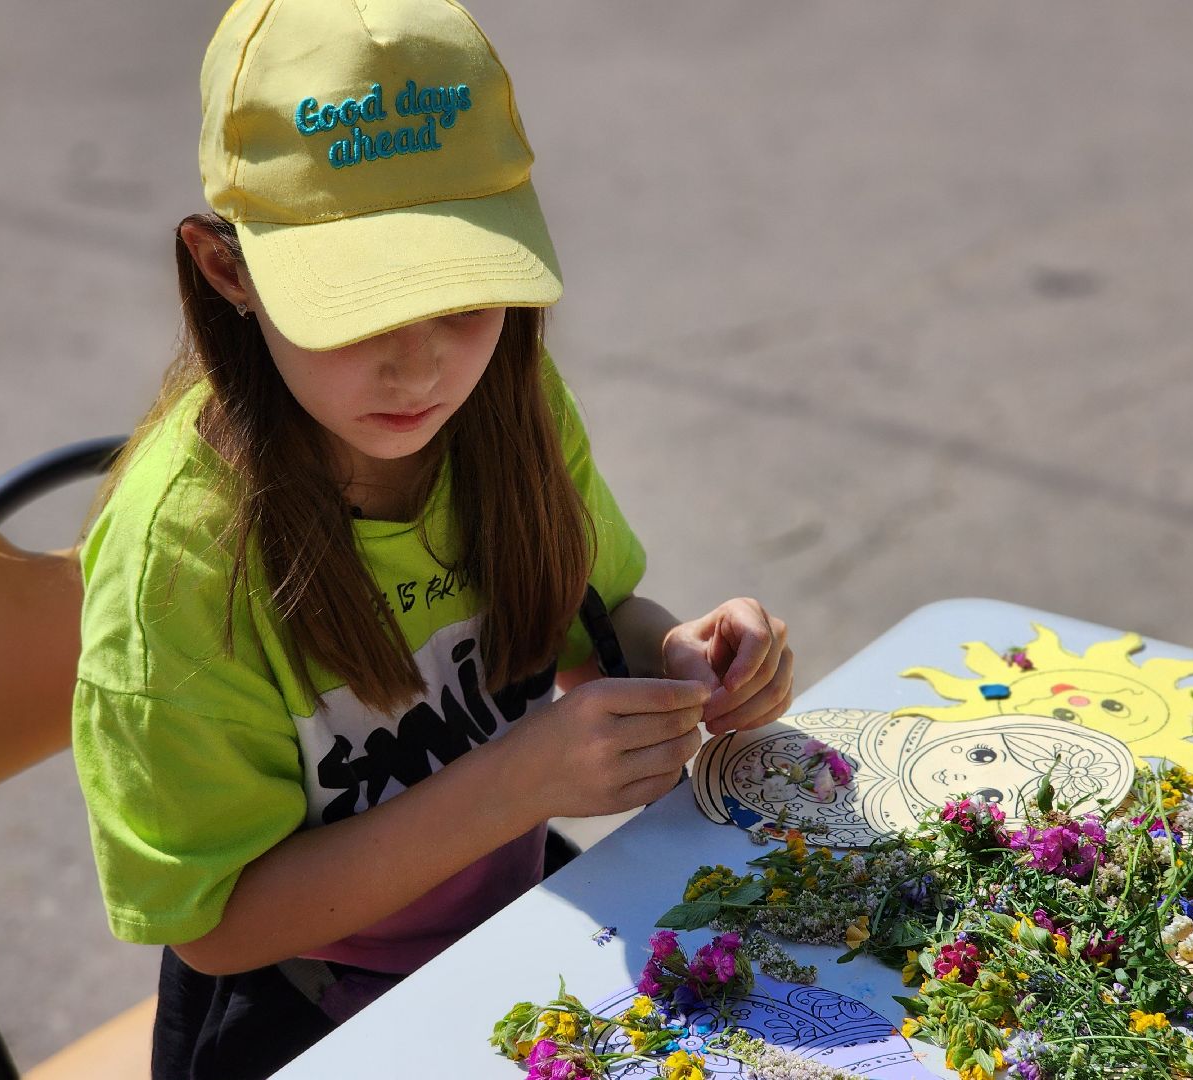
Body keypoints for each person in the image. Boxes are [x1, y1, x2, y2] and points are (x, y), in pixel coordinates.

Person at [69, 2, 794, 1077]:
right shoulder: (180, 563)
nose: (419, 369)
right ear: (228, 273)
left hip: (507, 926)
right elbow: (214, 922)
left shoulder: (507, 400)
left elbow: (594, 626)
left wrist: (676, 658)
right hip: (297, 1004)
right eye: (357, 314)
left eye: (463, 300)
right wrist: (514, 782)